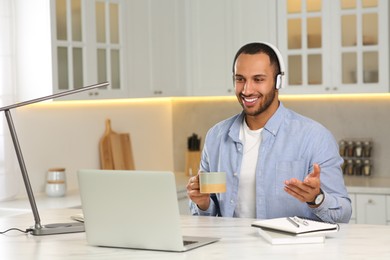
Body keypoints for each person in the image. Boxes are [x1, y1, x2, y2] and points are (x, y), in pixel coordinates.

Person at [186, 42, 352, 223]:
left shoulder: (314, 137)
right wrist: (203, 203)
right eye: (240, 79)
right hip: (230, 249)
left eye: (258, 79)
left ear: (278, 81)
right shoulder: (216, 138)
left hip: (291, 249)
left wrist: (316, 199)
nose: (247, 90)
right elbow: (208, 213)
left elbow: (343, 214)